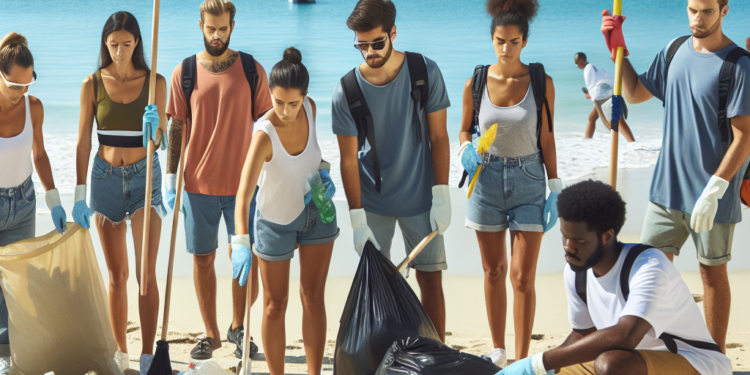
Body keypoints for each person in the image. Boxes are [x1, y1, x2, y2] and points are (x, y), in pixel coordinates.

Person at [602, 0, 750, 352]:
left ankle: (715, 359)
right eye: (692, 10)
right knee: (646, 273)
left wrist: (716, 188)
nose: (698, 19)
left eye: (707, 12)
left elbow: (745, 135)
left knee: (712, 275)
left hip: (712, 196)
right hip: (666, 190)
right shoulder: (674, 50)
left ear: (725, 10)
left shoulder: (739, 65)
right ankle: (651, 351)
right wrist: (617, 51)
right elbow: (636, 92)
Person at [498, 180, 732, 375]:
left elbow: (626, 336)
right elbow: (584, 334)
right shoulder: (576, 272)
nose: (568, 248)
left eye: (579, 241)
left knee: (611, 364)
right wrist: (541, 369)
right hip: (633, 362)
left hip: (694, 363)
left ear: (607, 236)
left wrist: (538, 362)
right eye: (564, 236)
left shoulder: (649, 266)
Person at [332, 0, 452, 341]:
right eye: (361, 45)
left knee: (430, 280)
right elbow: (347, 159)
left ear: (393, 33)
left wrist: (441, 195)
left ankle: (437, 354)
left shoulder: (424, 72)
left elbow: (439, 137)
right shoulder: (346, 90)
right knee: (377, 290)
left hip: (421, 199)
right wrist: (357, 221)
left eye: (376, 43)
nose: (369, 51)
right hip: (373, 203)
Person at [165, 0, 273, 360]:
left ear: (232, 25)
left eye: (222, 28)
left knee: (245, 259)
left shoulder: (251, 69)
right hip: (198, 185)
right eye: (210, 28)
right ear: (200, 25)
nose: (216, 34)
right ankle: (211, 335)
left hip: (245, 186)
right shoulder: (185, 72)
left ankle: (238, 327)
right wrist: (169, 176)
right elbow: (177, 125)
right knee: (202, 259)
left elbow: (269, 126)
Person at [458, 0, 559, 365]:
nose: (506, 49)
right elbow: (464, 130)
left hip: (530, 179)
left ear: (525, 41)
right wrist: (465, 149)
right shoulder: (478, 81)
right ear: (492, 38)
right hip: (484, 181)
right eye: (500, 41)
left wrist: (556, 187)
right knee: (494, 270)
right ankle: (498, 351)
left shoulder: (539, 81)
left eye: (514, 41)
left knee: (521, 277)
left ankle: (522, 359)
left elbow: (546, 138)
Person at [71, 12, 167, 374]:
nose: (121, 52)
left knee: (146, 272)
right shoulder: (92, 84)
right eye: (114, 45)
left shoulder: (155, 81)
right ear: (105, 44)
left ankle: (146, 355)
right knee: (117, 275)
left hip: (146, 179)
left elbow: (162, 142)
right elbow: (82, 143)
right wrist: (80, 193)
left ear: (138, 43)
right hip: (105, 177)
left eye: (127, 45)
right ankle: (121, 353)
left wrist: (155, 129)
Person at [233, 47, 337, 375]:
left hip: (315, 213)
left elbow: (312, 158)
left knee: (312, 297)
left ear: (304, 97)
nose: (287, 111)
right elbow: (243, 195)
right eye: (279, 103)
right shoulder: (264, 134)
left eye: (293, 103)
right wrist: (240, 241)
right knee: (275, 305)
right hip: (275, 223)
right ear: (270, 95)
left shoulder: (311, 108)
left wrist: (324, 175)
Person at [0, 32, 67, 372]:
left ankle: (9, 359)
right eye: (14, 86)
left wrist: (53, 199)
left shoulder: (33, 106)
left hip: (24, 202)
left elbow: (39, 154)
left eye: (29, 84)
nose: (22, 93)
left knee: (17, 284)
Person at [573, 52, 635, 143]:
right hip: (606, 92)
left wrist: (590, 96)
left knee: (618, 120)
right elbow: (599, 80)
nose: (576, 66)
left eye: (576, 63)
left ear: (582, 61)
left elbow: (592, 87)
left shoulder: (588, 69)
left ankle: (632, 142)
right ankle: (587, 141)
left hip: (602, 96)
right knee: (592, 118)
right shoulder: (592, 67)